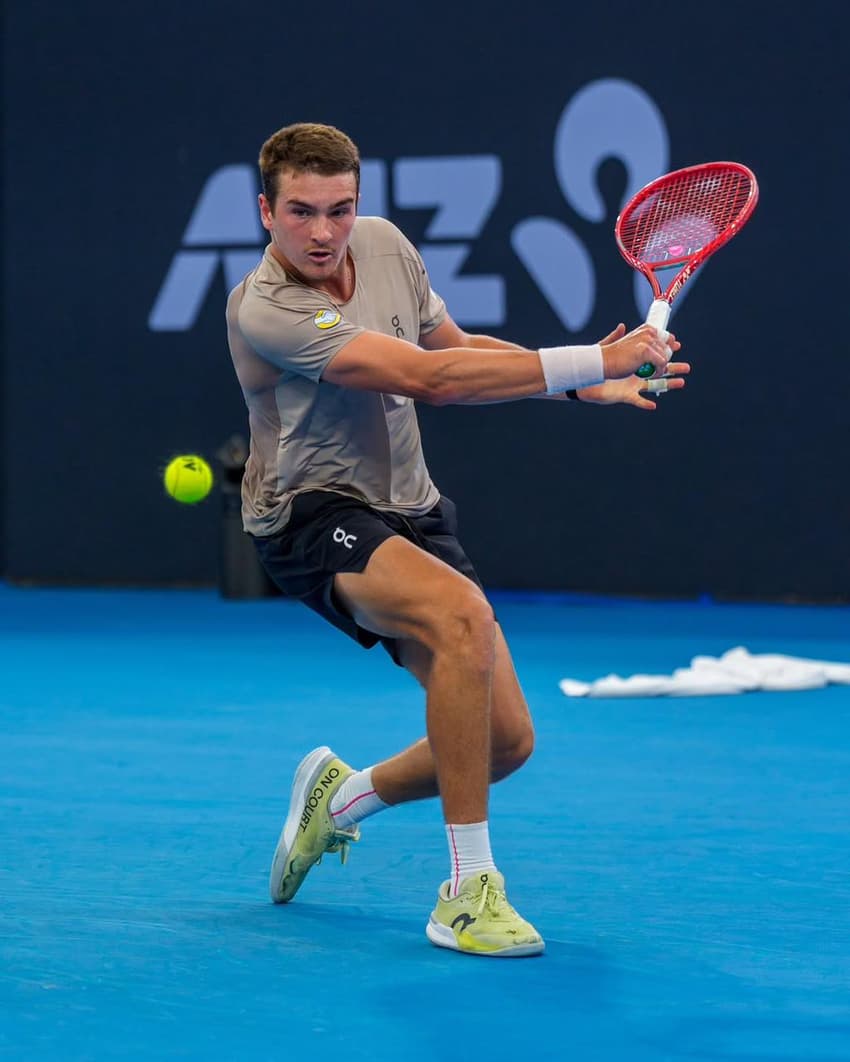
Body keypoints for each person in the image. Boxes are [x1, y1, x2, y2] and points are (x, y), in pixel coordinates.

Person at [225, 122, 688, 958]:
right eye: (301, 212)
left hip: (411, 503)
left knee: (504, 742)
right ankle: (467, 892)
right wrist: (593, 355)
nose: (324, 232)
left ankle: (339, 801)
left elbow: (455, 349)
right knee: (462, 616)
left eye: (340, 209)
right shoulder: (266, 308)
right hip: (307, 511)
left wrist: (589, 388)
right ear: (266, 211)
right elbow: (426, 381)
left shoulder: (387, 247)